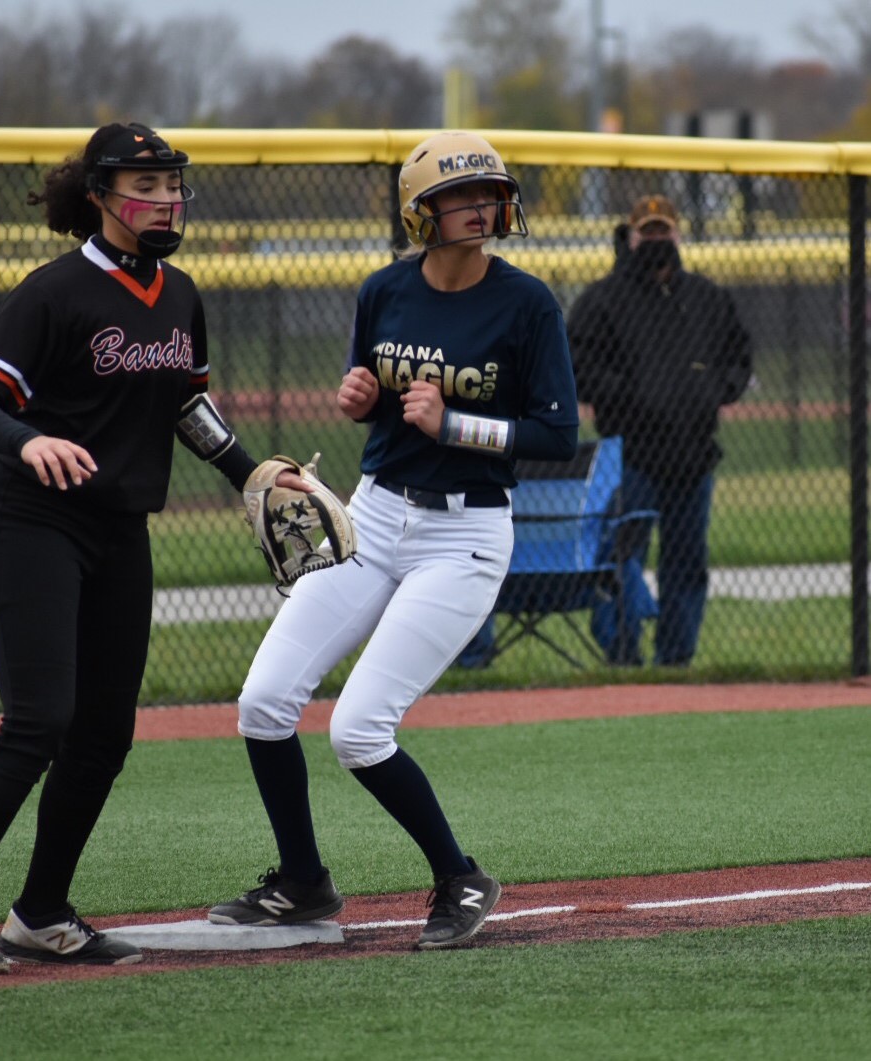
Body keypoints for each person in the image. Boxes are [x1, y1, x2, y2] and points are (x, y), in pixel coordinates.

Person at [0, 122, 307, 976]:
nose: (164, 198)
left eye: (172, 185)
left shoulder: (182, 292)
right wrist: (25, 441)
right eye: (144, 184)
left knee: (104, 736)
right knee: (37, 724)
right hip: (37, 523)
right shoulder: (54, 292)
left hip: (123, 529)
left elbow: (185, 405)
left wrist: (247, 471)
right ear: (99, 194)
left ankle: (41, 914)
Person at [207, 131, 579, 950]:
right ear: (422, 211)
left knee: (358, 728)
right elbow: (379, 399)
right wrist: (359, 399)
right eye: (463, 194)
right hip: (372, 516)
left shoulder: (528, 304)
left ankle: (461, 876)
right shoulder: (385, 290)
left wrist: (459, 424)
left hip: (466, 534)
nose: (484, 205)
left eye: (491, 192)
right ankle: (303, 882)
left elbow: (558, 434)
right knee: (263, 701)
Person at [567, 194, 753, 666]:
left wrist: (715, 388)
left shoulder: (707, 297)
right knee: (619, 559)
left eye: (662, 231)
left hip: (693, 455)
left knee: (686, 565)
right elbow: (578, 367)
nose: (655, 239)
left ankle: (676, 660)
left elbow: (740, 357)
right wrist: (633, 394)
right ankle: (623, 654)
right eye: (646, 232)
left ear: (677, 235)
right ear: (629, 238)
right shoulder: (603, 299)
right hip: (630, 455)